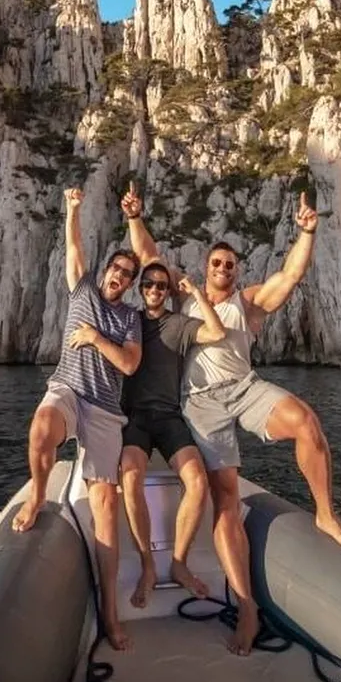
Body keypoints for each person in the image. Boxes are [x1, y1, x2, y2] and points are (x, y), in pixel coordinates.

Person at [122, 186, 341, 656]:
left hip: (247, 388)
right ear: (206, 266)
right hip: (201, 404)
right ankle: (247, 608)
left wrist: (307, 232)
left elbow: (290, 276)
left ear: (237, 271)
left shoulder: (247, 303)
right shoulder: (184, 298)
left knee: (306, 422)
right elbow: (148, 256)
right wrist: (134, 218)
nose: (223, 268)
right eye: (217, 263)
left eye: (230, 264)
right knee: (226, 498)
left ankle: (325, 513)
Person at [11, 187, 142, 652]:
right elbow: (73, 247)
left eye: (128, 274)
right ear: (106, 271)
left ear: (130, 283)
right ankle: (38, 497)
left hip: (104, 407)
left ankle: (111, 610)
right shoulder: (83, 288)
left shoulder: (130, 318)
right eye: (116, 269)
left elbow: (129, 365)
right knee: (41, 429)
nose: (119, 277)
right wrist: (73, 209)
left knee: (105, 504)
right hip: (68, 388)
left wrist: (94, 338)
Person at [118, 257, 226, 611]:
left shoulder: (179, 324)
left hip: (168, 418)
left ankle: (179, 562)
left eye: (161, 286)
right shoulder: (130, 321)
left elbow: (217, 333)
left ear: (167, 291)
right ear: (140, 288)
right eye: (148, 284)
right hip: (135, 418)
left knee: (197, 481)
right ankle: (148, 565)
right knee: (130, 476)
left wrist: (196, 292)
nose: (154, 289)